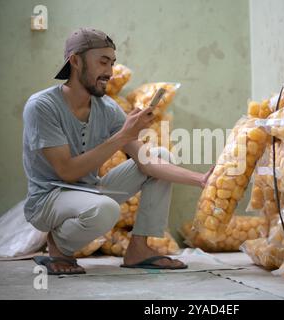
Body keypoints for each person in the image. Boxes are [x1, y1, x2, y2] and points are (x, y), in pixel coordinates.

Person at [23, 28, 213, 275]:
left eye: (112, 63)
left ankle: (139, 249)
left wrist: (201, 180)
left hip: (90, 190)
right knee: (105, 209)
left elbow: (147, 163)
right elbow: (66, 171)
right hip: (49, 198)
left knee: (159, 156)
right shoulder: (42, 106)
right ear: (76, 61)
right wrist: (123, 135)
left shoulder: (107, 108)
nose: (110, 72)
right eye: (103, 62)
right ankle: (59, 247)